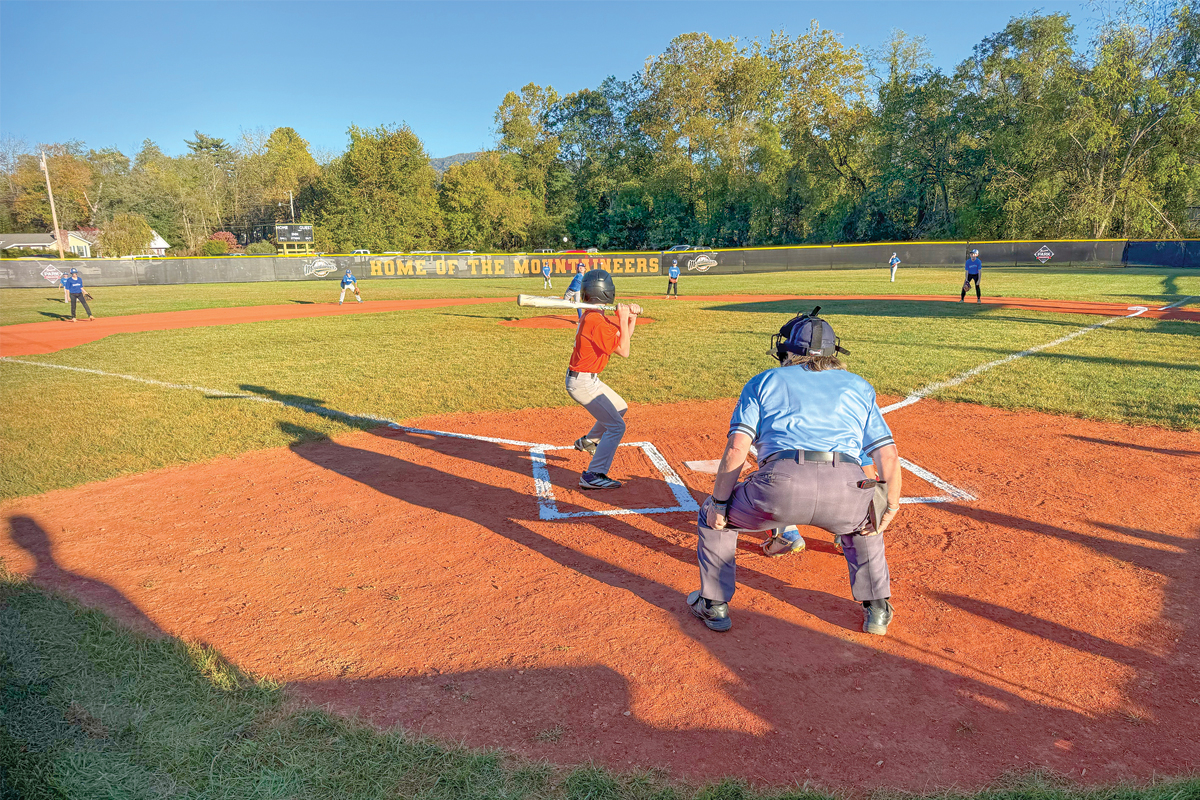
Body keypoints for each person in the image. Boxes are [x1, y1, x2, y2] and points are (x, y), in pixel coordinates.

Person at [687, 307, 903, 636]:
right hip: (845, 487)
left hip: (778, 487)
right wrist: (889, 507)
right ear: (834, 352)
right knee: (866, 525)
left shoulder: (765, 380)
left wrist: (718, 505)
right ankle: (876, 609)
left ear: (787, 349)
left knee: (713, 516)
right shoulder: (859, 386)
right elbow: (887, 455)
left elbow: (736, 449)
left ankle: (714, 604)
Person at [565, 269, 642, 490]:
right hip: (582, 383)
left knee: (620, 408)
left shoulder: (594, 317)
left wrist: (630, 319)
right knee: (617, 427)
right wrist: (624, 317)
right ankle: (593, 474)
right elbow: (625, 351)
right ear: (607, 293)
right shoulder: (595, 321)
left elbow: (620, 342)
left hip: (589, 380)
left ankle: (589, 441)